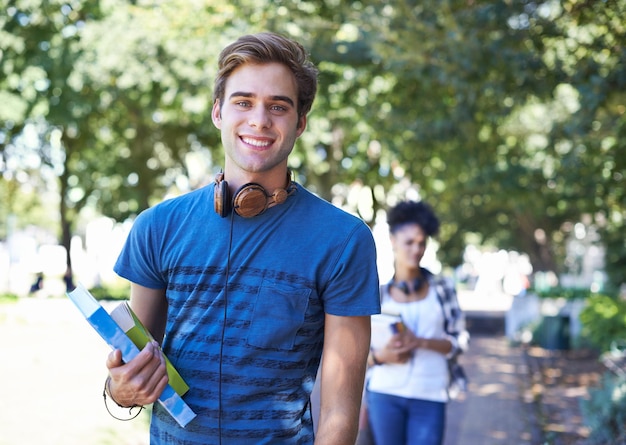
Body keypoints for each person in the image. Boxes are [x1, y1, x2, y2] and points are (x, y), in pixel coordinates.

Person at [103, 32, 380, 444]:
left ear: (301, 123)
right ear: (218, 112)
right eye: (243, 102)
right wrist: (119, 389)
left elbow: (339, 412)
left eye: (278, 107)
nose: (259, 120)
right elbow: (136, 363)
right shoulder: (157, 227)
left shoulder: (343, 240)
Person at [365, 200, 469, 445]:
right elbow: (357, 354)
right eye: (409, 242)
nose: (417, 249)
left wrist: (420, 342)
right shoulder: (377, 294)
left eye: (422, 243)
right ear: (392, 240)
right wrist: (382, 356)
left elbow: (460, 342)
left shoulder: (443, 289)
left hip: (430, 392)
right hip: (384, 393)